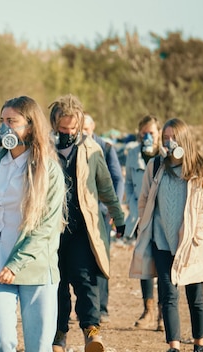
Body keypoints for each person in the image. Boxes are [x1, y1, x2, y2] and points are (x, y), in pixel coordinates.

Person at [0, 96, 66, 352]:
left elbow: (46, 226)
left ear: (31, 125)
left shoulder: (48, 169)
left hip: (35, 269)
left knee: (38, 347)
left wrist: (15, 264)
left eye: (12, 121)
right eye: (2, 121)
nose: (5, 128)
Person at [129, 118, 203, 352]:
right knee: (168, 296)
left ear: (184, 139)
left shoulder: (201, 170)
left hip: (191, 244)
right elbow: (144, 198)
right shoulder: (156, 166)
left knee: (195, 298)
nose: (168, 142)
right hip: (162, 241)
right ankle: (174, 346)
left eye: (173, 137)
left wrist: (198, 233)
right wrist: (146, 223)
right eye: (165, 138)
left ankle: (199, 345)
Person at [48, 94, 125, 352]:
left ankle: (91, 330)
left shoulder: (92, 149)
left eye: (73, 129)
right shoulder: (43, 149)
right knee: (56, 282)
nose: (68, 133)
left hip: (83, 228)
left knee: (85, 279)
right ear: (54, 125)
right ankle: (58, 334)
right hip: (51, 229)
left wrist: (118, 216)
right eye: (63, 129)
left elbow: (106, 188)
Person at [82, 113, 124, 323]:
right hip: (81, 214)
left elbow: (117, 179)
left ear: (93, 128)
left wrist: (111, 210)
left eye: (86, 129)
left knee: (101, 259)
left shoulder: (105, 148)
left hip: (100, 214)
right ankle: (87, 308)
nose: (83, 133)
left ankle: (102, 307)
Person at [124, 115, 164, 331]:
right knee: (144, 262)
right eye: (144, 133)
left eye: (152, 133)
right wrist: (132, 205)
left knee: (164, 263)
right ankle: (148, 310)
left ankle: (163, 314)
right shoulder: (132, 154)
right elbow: (129, 182)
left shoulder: (165, 154)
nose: (147, 137)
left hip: (164, 217)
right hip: (142, 216)